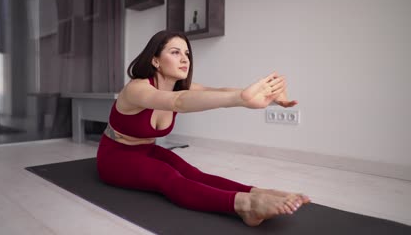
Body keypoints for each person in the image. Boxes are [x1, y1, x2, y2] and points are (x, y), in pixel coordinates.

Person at [97, 30, 310, 226]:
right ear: (155, 60)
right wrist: (240, 99)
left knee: (193, 173)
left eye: (187, 54)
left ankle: (260, 192)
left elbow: (217, 90)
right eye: (175, 52)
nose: (184, 59)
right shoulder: (137, 88)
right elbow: (177, 102)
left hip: (147, 150)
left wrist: (271, 99)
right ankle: (247, 206)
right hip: (115, 156)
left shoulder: (181, 87)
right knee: (167, 176)